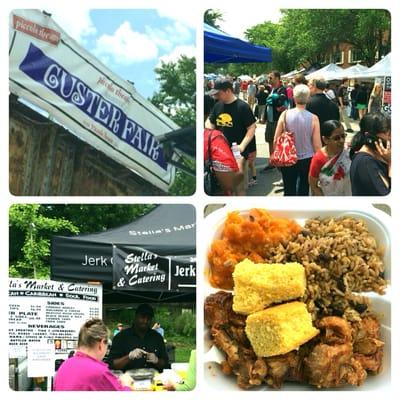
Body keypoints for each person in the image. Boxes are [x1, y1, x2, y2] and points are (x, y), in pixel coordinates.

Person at [207, 78, 256, 195]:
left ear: (228, 91)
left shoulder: (243, 107)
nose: (216, 97)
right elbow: (211, 121)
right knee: (226, 187)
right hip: (221, 153)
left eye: (218, 94)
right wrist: (209, 130)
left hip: (237, 152)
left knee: (239, 187)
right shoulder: (217, 106)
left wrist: (243, 146)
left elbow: (251, 128)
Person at [54, 318, 133, 391]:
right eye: (107, 345)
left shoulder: (65, 365)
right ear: (101, 344)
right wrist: (126, 385)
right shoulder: (99, 372)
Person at [273, 84, 321, 196]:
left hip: (288, 157)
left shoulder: (285, 114)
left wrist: (277, 154)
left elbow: (276, 138)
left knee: (289, 189)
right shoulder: (313, 118)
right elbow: (317, 144)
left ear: (293, 97)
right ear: (308, 98)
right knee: (304, 188)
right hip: (307, 158)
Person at [108, 304, 169, 372]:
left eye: (148, 318)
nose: (145, 321)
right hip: (128, 380)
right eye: (142, 317)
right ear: (136, 317)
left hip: (154, 380)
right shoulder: (121, 337)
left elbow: (166, 364)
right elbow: (111, 365)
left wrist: (157, 360)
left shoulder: (157, 337)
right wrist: (129, 357)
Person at [203, 94, 243, 195]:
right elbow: (229, 184)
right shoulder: (214, 138)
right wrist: (239, 163)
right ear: (210, 111)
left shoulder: (180, 138)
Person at [350, 112, 391, 196]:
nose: (391, 138)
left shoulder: (380, 155)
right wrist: (391, 163)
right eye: (389, 134)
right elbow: (387, 195)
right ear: (370, 137)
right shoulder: (365, 162)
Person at [309, 120, 351, 196]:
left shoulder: (348, 153)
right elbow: (313, 185)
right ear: (325, 139)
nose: (341, 140)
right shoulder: (319, 159)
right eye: (336, 138)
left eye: (343, 136)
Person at [264, 70, 288, 170]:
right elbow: (269, 104)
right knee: (269, 140)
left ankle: (279, 163)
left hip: (277, 121)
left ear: (277, 78)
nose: (269, 80)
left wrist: (276, 102)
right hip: (270, 120)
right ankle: (272, 161)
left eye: (271, 78)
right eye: (269, 78)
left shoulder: (282, 89)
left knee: (278, 142)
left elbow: (282, 105)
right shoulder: (272, 90)